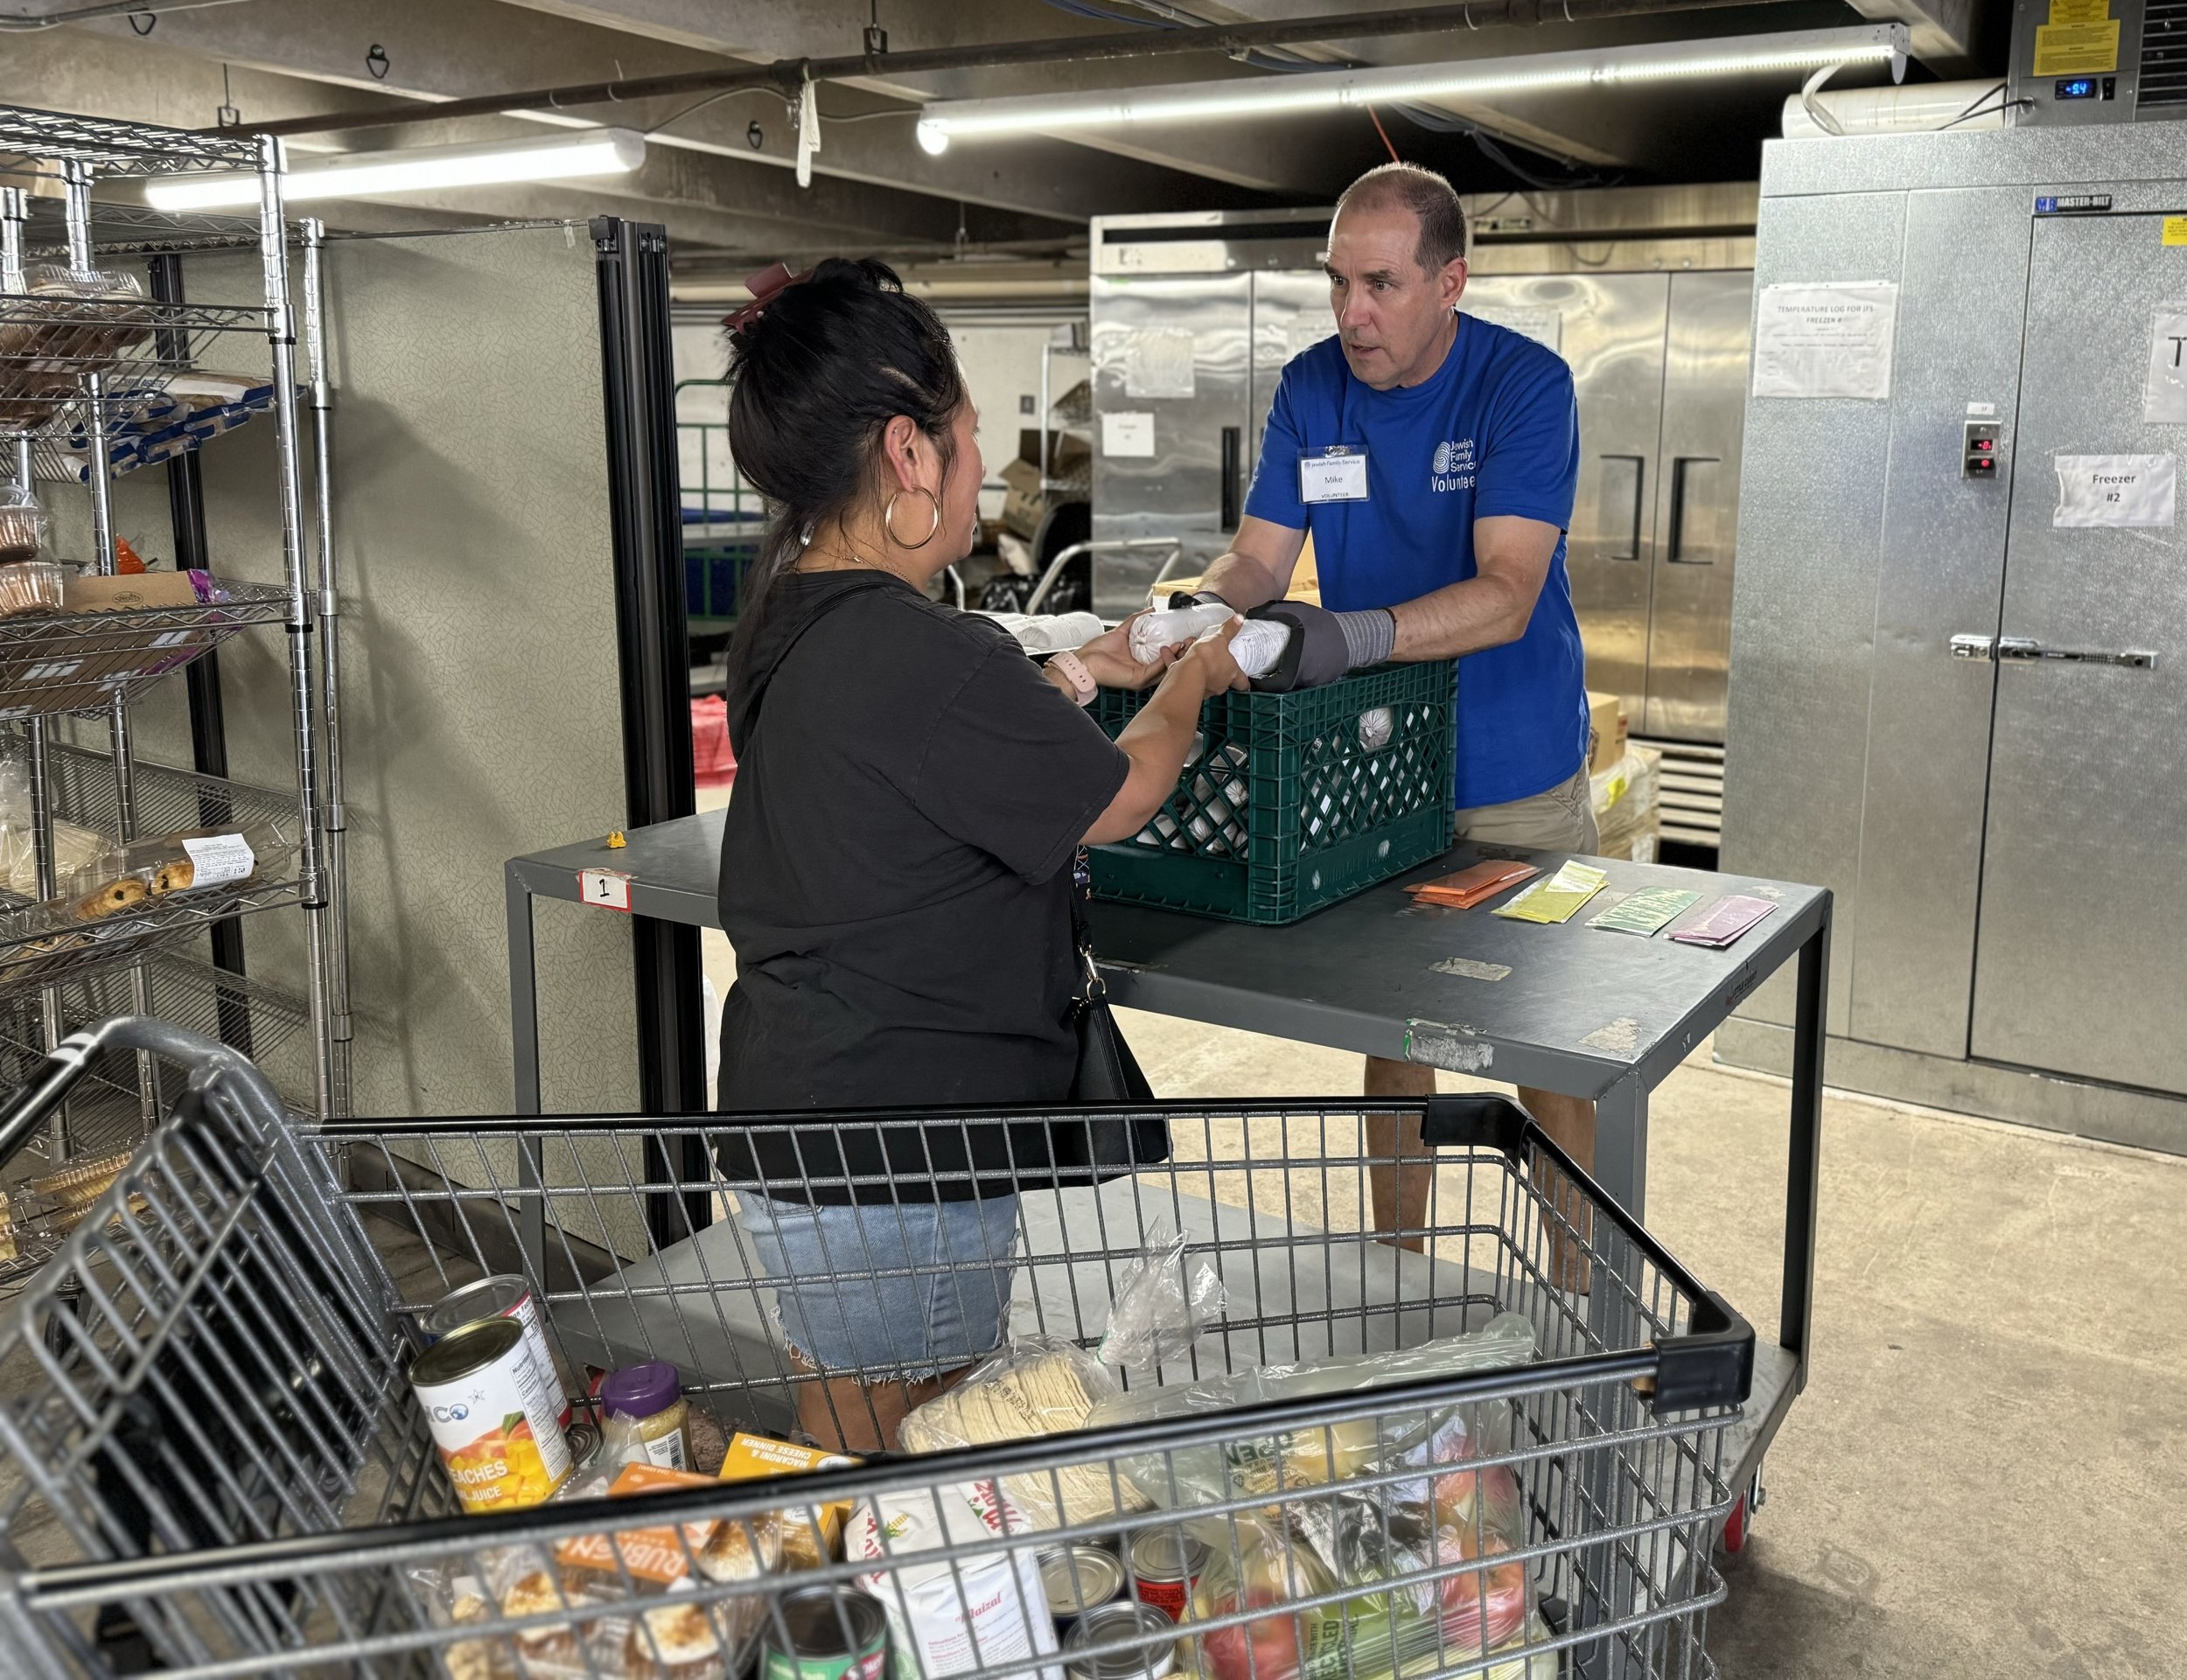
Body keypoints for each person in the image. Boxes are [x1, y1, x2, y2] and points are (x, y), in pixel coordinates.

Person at [708, 257, 1245, 1451]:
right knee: (923, 1471)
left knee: (839, 1444)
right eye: (971, 442)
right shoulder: (926, 658)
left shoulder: (792, 613)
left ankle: (828, 1623)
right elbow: (1126, 793)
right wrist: (1191, 677)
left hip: (799, 1125)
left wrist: (1078, 668)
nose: (986, 474)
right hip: (903, 1152)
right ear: (908, 455)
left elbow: (917, 737)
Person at [1191, 163, 1594, 1251]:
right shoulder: (1312, 388)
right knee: (1393, 1027)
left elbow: (1508, 593)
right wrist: (1189, 618)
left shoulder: (1523, 385)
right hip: (1374, 768)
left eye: (1380, 285)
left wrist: (1351, 634)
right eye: (1336, 284)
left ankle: (1571, 1289)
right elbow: (1256, 559)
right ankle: (1398, 1279)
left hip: (1513, 771)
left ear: (1449, 282)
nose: (1352, 314)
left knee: (1542, 1044)